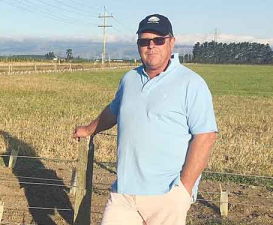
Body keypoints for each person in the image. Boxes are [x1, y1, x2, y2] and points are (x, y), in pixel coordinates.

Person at [73, 14, 218, 225]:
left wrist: (183, 190)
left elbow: (206, 136)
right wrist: (89, 129)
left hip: (167, 195)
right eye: (144, 41)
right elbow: (114, 111)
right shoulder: (130, 78)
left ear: (171, 42)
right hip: (123, 193)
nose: (151, 46)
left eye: (158, 40)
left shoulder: (191, 83)